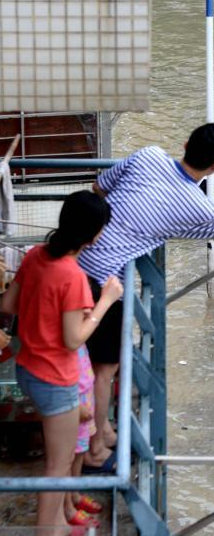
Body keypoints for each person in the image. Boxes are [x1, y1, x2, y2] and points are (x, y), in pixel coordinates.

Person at [78, 123, 214, 472]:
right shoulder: (195, 206)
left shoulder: (149, 154)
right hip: (102, 284)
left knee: (94, 364)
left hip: (77, 258)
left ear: (185, 143)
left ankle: (105, 429)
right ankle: (95, 448)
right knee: (103, 370)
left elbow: (99, 186)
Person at [0, 191, 123, 535]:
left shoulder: (37, 255)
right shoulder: (73, 277)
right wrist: (105, 302)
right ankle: (48, 530)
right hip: (56, 379)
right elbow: (73, 339)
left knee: (60, 457)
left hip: (28, 369)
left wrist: (50, 310)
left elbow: (9, 304)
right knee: (58, 464)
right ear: (95, 234)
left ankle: (58, 519)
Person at [64, 345, 102, 529]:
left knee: (80, 449)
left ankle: (74, 493)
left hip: (84, 388)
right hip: (73, 395)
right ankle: (67, 506)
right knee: (66, 457)